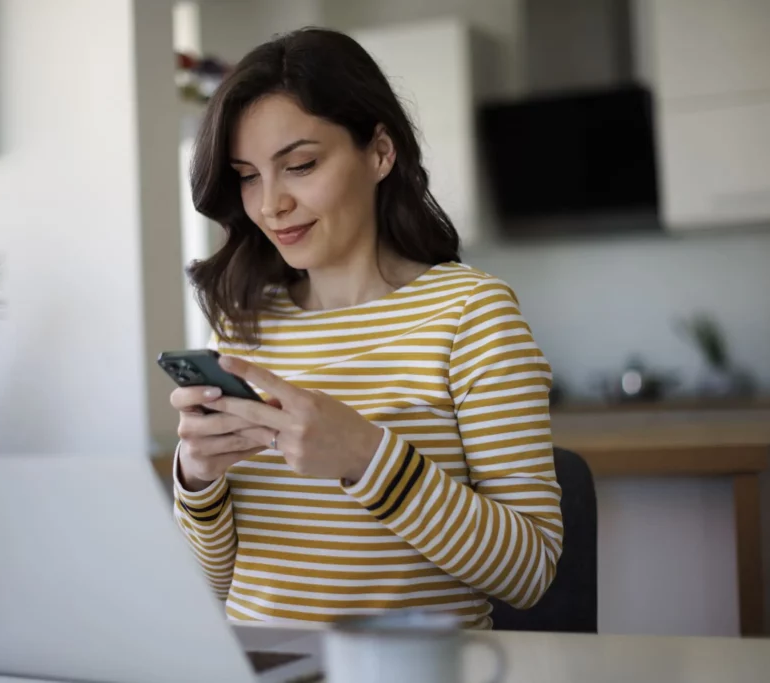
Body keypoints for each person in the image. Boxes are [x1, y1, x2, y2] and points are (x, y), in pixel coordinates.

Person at [170, 27, 562, 630]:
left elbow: (529, 572)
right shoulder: (244, 325)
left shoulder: (471, 315)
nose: (270, 204)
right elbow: (214, 585)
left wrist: (366, 457)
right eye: (247, 176)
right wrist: (198, 479)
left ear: (380, 153)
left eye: (300, 165)